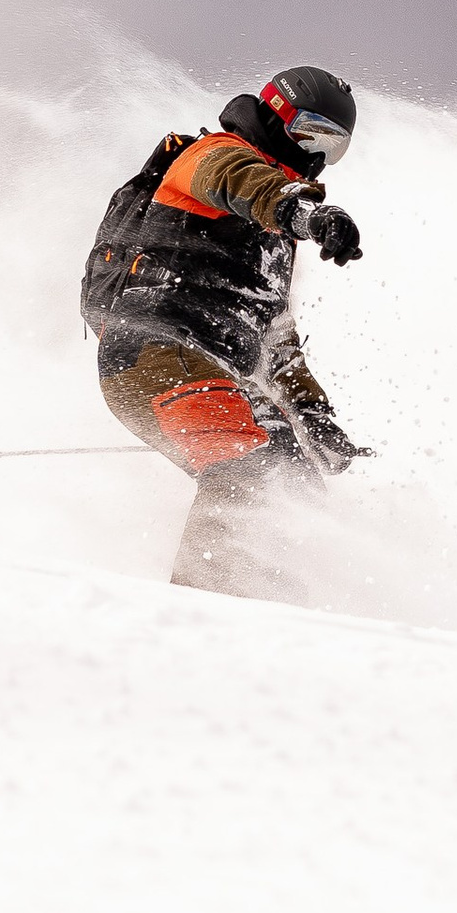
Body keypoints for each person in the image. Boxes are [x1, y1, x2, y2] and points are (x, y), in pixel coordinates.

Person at [82, 66, 368, 593]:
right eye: (311, 133)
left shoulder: (277, 239)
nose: (318, 155)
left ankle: (285, 605)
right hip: (157, 350)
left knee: (294, 476)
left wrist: (316, 416)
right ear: (279, 117)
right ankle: (207, 610)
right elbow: (243, 182)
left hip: (212, 365)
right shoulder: (214, 156)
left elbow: (275, 336)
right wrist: (306, 214)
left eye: (334, 145)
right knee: (248, 471)